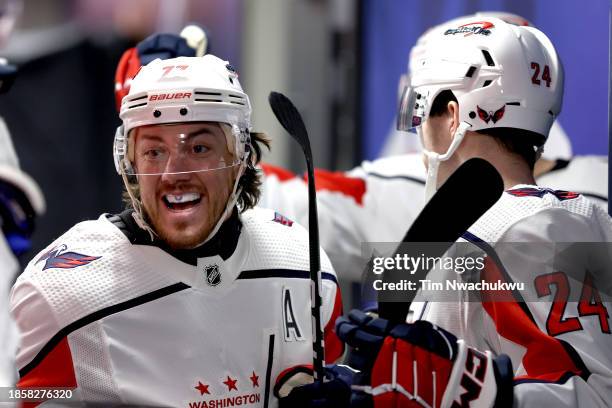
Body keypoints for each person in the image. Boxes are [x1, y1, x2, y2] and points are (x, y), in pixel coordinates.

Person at [10, 54, 343, 406]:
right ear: (129, 162)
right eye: (154, 151)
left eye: (199, 148)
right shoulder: (63, 292)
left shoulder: (300, 262)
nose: (173, 174)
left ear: (242, 155)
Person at [335, 15, 612, 407]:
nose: (418, 132)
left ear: (452, 116)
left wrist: (472, 386)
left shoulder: (529, 230)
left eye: (421, 111)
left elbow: (599, 395)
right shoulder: (473, 229)